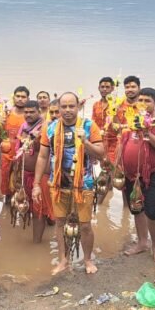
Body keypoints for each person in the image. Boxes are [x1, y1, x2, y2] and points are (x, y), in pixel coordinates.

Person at [33, 92, 105, 275]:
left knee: (85, 225)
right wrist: (36, 184)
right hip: (58, 183)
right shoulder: (50, 128)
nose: (67, 110)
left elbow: (101, 154)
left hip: (84, 183)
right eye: (63, 107)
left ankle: (87, 260)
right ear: (58, 109)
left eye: (71, 106)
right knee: (60, 223)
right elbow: (42, 156)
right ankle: (64, 260)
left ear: (78, 107)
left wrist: (85, 142)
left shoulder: (89, 126)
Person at [118, 88, 155, 261]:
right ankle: (142, 242)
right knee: (137, 209)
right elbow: (123, 142)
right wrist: (117, 165)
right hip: (131, 174)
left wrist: (146, 132)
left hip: (152, 174)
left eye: (148, 101)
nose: (143, 104)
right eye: (141, 100)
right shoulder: (132, 119)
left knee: (153, 213)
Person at [16, 100, 51, 242]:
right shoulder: (23, 127)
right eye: (26, 112)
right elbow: (19, 150)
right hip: (25, 173)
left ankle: (36, 243)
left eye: (32, 112)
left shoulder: (45, 127)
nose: (28, 115)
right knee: (26, 205)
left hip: (40, 176)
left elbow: (44, 152)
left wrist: (36, 138)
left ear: (39, 112)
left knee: (39, 210)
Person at [1, 86, 29, 200]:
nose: (20, 99)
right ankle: (6, 205)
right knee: (4, 184)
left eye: (23, 97)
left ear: (28, 99)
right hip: (6, 154)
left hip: (22, 155)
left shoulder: (29, 116)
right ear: (13, 97)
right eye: (18, 96)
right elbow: (1, 135)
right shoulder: (6, 114)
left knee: (19, 183)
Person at [92, 77, 118, 163]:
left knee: (113, 165)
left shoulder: (117, 104)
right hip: (99, 141)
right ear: (98, 88)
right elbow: (93, 124)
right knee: (102, 166)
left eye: (107, 87)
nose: (104, 89)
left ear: (112, 88)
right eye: (102, 87)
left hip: (114, 142)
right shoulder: (96, 105)